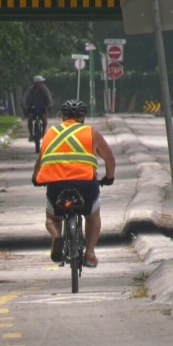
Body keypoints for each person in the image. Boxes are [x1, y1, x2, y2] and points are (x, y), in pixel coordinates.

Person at [31, 99, 116, 268]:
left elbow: (41, 160)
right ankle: (90, 254)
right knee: (93, 216)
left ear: (62, 116)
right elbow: (110, 159)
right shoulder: (92, 133)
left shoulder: (50, 133)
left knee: (52, 218)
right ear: (83, 117)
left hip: (56, 185)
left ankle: (57, 237)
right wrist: (109, 177)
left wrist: (35, 178)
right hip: (86, 184)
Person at [22, 75, 53, 142]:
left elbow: (48, 96)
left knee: (44, 119)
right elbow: (25, 96)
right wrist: (24, 103)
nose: (41, 84)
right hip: (32, 107)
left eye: (41, 82)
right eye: (39, 82)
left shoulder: (44, 89)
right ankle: (31, 134)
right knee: (30, 118)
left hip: (42, 107)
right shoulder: (30, 89)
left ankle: (43, 132)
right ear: (35, 83)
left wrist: (50, 103)